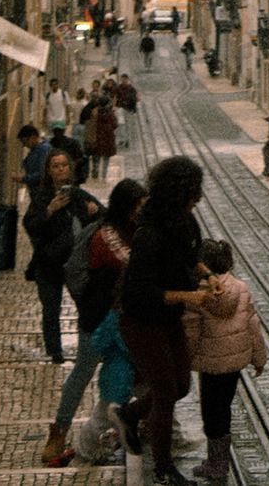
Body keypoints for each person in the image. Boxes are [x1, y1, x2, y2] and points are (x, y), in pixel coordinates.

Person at [110, 156, 209, 486]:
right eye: (194, 191)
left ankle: (129, 414)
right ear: (178, 193)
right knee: (166, 391)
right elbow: (140, 293)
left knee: (181, 385)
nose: (199, 197)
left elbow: (191, 257)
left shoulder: (185, 222)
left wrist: (208, 275)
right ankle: (164, 468)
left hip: (168, 318)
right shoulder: (148, 235)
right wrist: (188, 297)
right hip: (140, 321)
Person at [45, 177, 147, 467]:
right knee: (83, 371)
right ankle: (59, 431)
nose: (141, 211)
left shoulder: (137, 231)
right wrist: (90, 302)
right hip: (98, 317)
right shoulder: (103, 232)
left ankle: (129, 428)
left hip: (124, 318)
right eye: (138, 206)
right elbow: (78, 272)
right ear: (125, 206)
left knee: (131, 376)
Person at [183, 239, 267, 480]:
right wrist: (259, 359)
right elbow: (253, 325)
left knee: (211, 413)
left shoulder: (196, 296)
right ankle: (218, 461)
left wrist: (183, 360)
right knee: (224, 409)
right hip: (233, 365)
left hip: (211, 365)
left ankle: (216, 463)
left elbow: (191, 333)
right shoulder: (240, 287)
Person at [23, 150, 104, 365]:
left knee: (85, 307)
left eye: (63, 165)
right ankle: (55, 352)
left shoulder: (78, 195)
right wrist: (49, 210)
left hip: (76, 264)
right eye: (55, 166)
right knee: (51, 309)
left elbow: (105, 216)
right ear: (49, 172)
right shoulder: (42, 197)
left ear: (69, 168)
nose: (60, 169)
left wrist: (95, 211)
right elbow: (30, 225)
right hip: (49, 264)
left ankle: (87, 349)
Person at [85, 95, 118, 184]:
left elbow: (91, 125)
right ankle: (103, 176)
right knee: (106, 158)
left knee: (96, 156)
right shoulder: (111, 113)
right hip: (108, 138)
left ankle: (96, 171)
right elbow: (115, 125)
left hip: (97, 137)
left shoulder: (95, 113)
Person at [47, 122, 86, 186]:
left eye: (60, 131)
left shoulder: (73, 143)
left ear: (63, 131)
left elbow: (81, 158)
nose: (58, 133)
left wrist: (72, 165)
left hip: (72, 176)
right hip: (55, 178)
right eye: (56, 131)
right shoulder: (49, 144)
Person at [17, 123, 52, 191]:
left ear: (33, 137)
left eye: (25, 142)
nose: (24, 145)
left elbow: (43, 173)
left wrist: (23, 178)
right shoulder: (34, 150)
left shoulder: (44, 150)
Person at [115, 74, 139, 148]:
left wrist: (134, 109)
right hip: (121, 108)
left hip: (128, 109)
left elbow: (136, 99)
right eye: (122, 79)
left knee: (128, 125)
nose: (123, 80)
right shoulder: (118, 88)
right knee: (121, 125)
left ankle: (127, 140)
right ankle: (123, 139)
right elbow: (115, 97)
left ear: (127, 79)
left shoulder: (131, 89)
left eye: (124, 79)